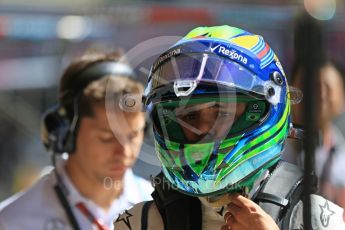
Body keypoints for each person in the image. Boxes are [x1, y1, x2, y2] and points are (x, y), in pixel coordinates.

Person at [114, 25, 345, 230]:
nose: (204, 131)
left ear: (262, 110)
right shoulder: (139, 222)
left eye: (222, 114)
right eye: (190, 117)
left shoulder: (321, 220)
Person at [0, 51, 153, 230]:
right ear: (65, 132)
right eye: (106, 138)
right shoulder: (11, 222)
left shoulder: (160, 208)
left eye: (133, 135)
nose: (125, 152)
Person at [289, 58, 345, 220]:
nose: (319, 95)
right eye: (309, 86)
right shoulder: (270, 150)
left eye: (327, 88)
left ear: (342, 98)